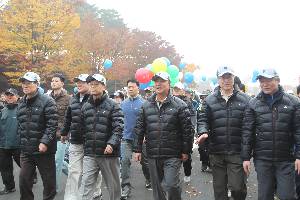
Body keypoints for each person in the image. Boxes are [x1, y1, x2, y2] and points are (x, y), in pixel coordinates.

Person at [133, 72, 194, 200]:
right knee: (157, 189)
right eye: (156, 81)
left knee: (171, 185)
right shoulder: (146, 105)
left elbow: (187, 131)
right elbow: (140, 128)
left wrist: (186, 151)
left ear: (169, 84)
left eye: (162, 81)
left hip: (173, 154)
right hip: (153, 153)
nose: (158, 84)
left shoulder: (180, 105)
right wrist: (137, 149)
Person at [241, 68, 300, 200]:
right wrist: (245, 157)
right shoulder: (253, 104)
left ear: (278, 80)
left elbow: (298, 130)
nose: (264, 84)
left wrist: (299, 156)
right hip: (263, 159)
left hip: (286, 159)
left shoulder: (293, 102)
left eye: (268, 80)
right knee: (265, 195)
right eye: (262, 81)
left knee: (287, 196)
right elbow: (247, 132)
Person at [196, 66, 250, 200]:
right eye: (223, 77)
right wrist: (203, 131)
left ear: (234, 78)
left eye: (229, 77)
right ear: (218, 79)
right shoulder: (209, 100)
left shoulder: (246, 99)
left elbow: (249, 125)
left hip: (237, 151)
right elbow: (202, 119)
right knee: (219, 190)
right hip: (216, 151)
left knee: (238, 188)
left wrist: (248, 150)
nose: (226, 80)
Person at [80, 74, 123, 200]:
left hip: (108, 153)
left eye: (96, 84)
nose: (93, 87)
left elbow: (118, 127)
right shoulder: (86, 106)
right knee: (86, 184)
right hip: (90, 153)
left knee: (113, 186)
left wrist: (111, 144)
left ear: (103, 86)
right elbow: (82, 128)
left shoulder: (114, 105)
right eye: (91, 84)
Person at [17, 72, 58, 200]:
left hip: (44, 150)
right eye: (23, 83)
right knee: (24, 181)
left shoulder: (48, 101)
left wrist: (45, 142)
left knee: (48, 182)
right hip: (26, 150)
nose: (25, 85)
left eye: (28, 83)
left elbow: (52, 124)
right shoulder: (21, 102)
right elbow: (20, 125)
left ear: (37, 84)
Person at [61, 74, 90, 200]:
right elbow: (68, 118)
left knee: (91, 173)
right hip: (75, 140)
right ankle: (71, 197)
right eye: (77, 82)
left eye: (82, 82)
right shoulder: (73, 99)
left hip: (91, 142)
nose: (79, 84)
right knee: (73, 171)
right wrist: (64, 132)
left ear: (89, 84)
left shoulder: (95, 99)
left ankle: (95, 193)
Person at [120, 79, 146, 199]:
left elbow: (148, 122)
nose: (130, 89)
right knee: (124, 162)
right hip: (126, 138)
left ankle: (150, 178)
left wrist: (146, 135)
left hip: (142, 139)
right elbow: (120, 120)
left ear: (138, 88)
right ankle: (125, 187)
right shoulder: (123, 104)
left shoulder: (144, 103)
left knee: (145, 163)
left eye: (132, 87)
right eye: (128, 87)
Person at [49, 73, 71, 192]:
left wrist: (67, 133)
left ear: (62, 83)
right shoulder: (47, 98)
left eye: (56, 81)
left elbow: (71, 118)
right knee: (59, 161)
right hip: (48, 134)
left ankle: (53, 188)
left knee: (57, 161)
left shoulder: (68, 99)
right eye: (52, 81)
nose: (53, 82)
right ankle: (76, 175)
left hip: (62, 135)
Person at [172, 82, 196, 183]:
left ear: (182, 91)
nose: (177, 92)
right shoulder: (170, 101)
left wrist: (192, 130)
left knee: (186, 156)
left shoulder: (188, 102)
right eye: (175, 90)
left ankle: (187, 173)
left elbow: (192, 117)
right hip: (173, 134)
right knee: (173, 157)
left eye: (179, 90)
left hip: (186, 133)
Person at [0, 88, 20, 195]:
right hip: (3, 145)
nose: (9, 97)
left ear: (17, 96)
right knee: (5, 168)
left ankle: (33, 175)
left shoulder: (22, 109)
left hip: (18, 144)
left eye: (12, 95)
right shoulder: (2, 111)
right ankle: (9, 187)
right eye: (7, 95)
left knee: (24, 165)